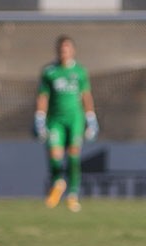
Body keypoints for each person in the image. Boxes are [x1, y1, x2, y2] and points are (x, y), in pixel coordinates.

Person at [33, 35, 99, 213]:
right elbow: (43, 97)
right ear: (57, 51)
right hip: (55, 119)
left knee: (73, 155)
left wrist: (91, 119)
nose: (64, 52)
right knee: (54, 153)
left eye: (67, 49)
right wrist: (39, 118)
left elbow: (86, 96)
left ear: (73, 51)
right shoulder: (49, 72)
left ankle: (73, 195)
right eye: (61, 49)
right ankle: (58, 183)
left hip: (75, 119)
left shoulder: (80, 72)